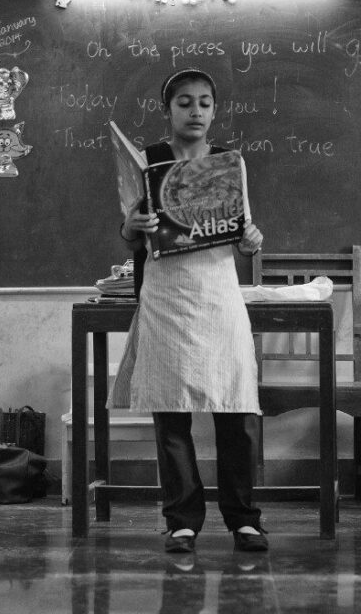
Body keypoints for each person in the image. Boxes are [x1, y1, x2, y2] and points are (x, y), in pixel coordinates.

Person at [111, 68, 268, 554]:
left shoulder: (229, 163)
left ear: (215, 110)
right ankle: (181, 519)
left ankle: (244, 519)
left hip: (219, 293)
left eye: (204, 102)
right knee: (171, 412)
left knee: (236, 407)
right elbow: (130, 233)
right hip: (164, 295)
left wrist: (252, 240)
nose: (195, 111)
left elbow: (242, 237)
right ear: (168, 110)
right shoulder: (147, 162)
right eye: (184, 102)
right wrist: (130, 225)